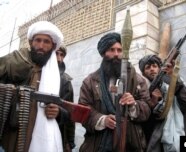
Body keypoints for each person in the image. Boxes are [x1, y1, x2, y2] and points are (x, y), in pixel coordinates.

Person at [0, 21, 68, 152]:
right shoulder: (14, 62)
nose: (41, 46)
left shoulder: (61, 78)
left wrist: (58, 112)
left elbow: (68, 112)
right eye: (38, 40)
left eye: (46, 42)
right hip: (11, 133)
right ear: (31, 42)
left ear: (53, 46)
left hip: (41, 137)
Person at [78, 32, 151, 152]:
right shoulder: (90, 81)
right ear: (103, 53)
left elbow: (147, 109)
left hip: (131, 143)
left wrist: (133, 105)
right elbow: (83, 110)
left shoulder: (137, 80)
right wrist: (102, 120)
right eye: (111, 50)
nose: (116, 54)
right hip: (98, 143)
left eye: (119, 50)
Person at [138, 54, 186, 152]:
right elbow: (144, 122)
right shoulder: (144, 92)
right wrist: (153, 103)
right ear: (143, 73)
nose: (152, 69)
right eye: (148, 67)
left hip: (183, 133)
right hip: (157, 141)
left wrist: (175, 82)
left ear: (160, 68)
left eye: (155, 66)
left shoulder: (175, 82)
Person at [56, 46, 76, 151]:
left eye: (62, 55)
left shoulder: (66, 82)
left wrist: (70, 142)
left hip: (57, 133)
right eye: (56, 54)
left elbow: (70, 113)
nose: (59, 59)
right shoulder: (35, 73)